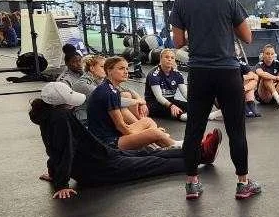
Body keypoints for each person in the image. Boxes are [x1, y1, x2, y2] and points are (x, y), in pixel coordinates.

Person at [170, 0, 261, 200]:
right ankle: (243, 184)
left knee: (193, 129)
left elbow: (178, 42)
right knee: (236, 130)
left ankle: (191, 183)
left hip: (199, 73)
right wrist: (222, 29)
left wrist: (199, 34)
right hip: (227, 73)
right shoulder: (229, 1)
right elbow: (247, 37)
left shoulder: (182, 3)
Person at [30, 82, 221, 200]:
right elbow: (64, 148)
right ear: (61, 102)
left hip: (105, 155)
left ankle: (198, 150)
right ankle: (200, 157)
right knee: (154, 163)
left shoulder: (52, 114)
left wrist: (53, 172)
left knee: (149, 152)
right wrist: (61, 183)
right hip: (100, 169)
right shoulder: (60, 117)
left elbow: (53, 147)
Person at [87, 56, 181, 150]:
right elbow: (120, 126)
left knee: (148, 121)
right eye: (121, 68)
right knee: (154, 133)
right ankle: (173, 145)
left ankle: (157, 144)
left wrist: (145, 135)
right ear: (109, 71)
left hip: (114, 133)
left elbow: (121, 126)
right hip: (108, 141)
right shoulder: (108, 92)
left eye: (127, 68)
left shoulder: (110, 88)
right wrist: (145, 135)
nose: (126, 72)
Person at [255, 44, 279, 109]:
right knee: (266, 77)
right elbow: (261, 73)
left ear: (274, 55)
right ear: (263, 55)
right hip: (264, 97)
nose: (270, 56)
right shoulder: (260, 64)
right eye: (267, 54)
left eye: (272, 54)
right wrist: (276, 77)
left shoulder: (277, 63)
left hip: (275, 93)